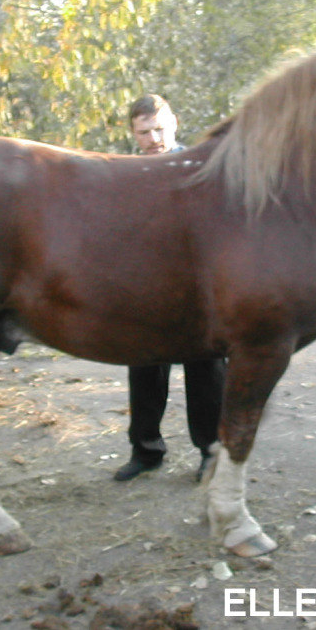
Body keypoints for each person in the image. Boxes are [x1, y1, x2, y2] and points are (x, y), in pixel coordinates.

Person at [113, 94, 226, 482]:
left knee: (206, 372)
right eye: (144, 131)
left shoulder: (200, 167)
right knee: (144, 370)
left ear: (174, 123)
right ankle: (145, 451)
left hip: (198, 290)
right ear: (133, 132)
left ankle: (211, 452)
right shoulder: (123, 174)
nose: (154, 138)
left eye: (160, 128)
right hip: (144, 290)